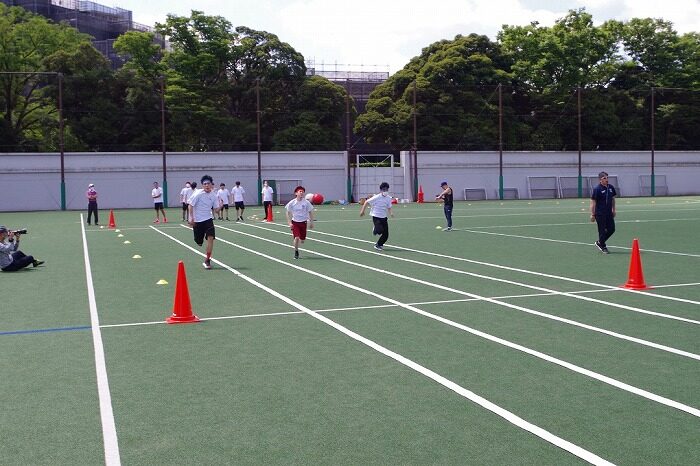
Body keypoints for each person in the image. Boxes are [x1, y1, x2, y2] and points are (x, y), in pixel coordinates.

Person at [188, 175, 221, 269]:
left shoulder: (214, 195)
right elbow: (190, 205)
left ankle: (207, 260)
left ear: (211, 185)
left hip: (208, 220)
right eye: (205, 184)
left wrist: (221, 206)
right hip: (198, 221)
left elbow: (216, 210)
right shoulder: (198, 193)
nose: (207, 185)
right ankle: (199, 241)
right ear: (202, 185)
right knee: (199, 242)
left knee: (211, 238)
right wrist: (191, 218)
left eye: (208, 184)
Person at [360, 181, 394, 251]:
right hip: (376, 216)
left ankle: (378, 244)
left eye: (387, 189)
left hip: (384, 217)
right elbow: (366, 202)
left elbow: (389, 207)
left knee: (386, 235)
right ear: (381, 190)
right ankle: (375, 229)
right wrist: (362, 211)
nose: (385, 191)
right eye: (384, 190)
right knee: (379, 230)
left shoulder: (388, 198)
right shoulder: (376, 197)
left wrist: (391, 213)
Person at [285, 185, 315, 259]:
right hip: (295, 223)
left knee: (302, 239)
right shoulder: (292, 202)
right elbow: (287, 212)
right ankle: (296, 251)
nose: (301, 193)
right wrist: (289, 223)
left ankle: (301, 239)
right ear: (296, 193)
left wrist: (311, 222)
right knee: (297, 238)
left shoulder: (306, 202)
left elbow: (310, 212)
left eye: (303, 192)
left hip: (303, 223)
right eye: (300, 191)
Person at [590, 171, 617, 254]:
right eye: (604, 178)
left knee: (612, 229)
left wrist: (614, 209)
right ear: (600, 180)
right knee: (602, 230)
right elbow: (593, 202)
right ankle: (603, 246)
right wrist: (592, 214)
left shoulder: (611, 187)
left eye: (607, 178)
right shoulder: (597, 189)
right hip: (600, 213)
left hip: (609, 213)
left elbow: (613, 199)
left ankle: (599, 242)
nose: (606, 179)